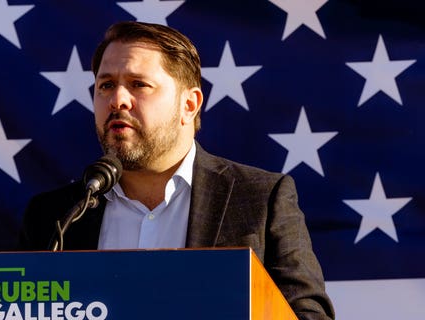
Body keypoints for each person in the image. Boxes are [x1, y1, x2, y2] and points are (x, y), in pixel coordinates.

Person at [18, 21, 335, 320]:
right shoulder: (56, 217)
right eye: (106, 85)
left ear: (190, 104)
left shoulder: (259, 199)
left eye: (138, 84)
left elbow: (308, 315)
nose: (117, 100)